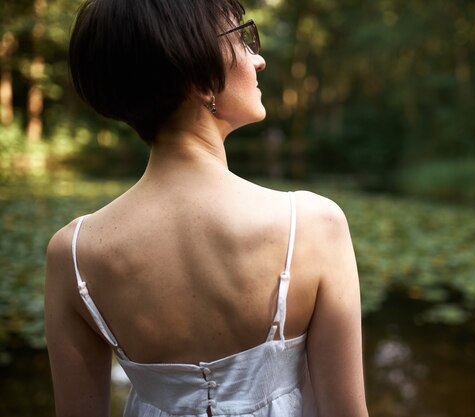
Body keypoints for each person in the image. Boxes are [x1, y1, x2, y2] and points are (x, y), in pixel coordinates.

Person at [44, 0, 369, 416]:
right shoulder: (313, 226)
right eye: (243, 38)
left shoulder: (73, 255)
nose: (260, 59)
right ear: (198, 77)